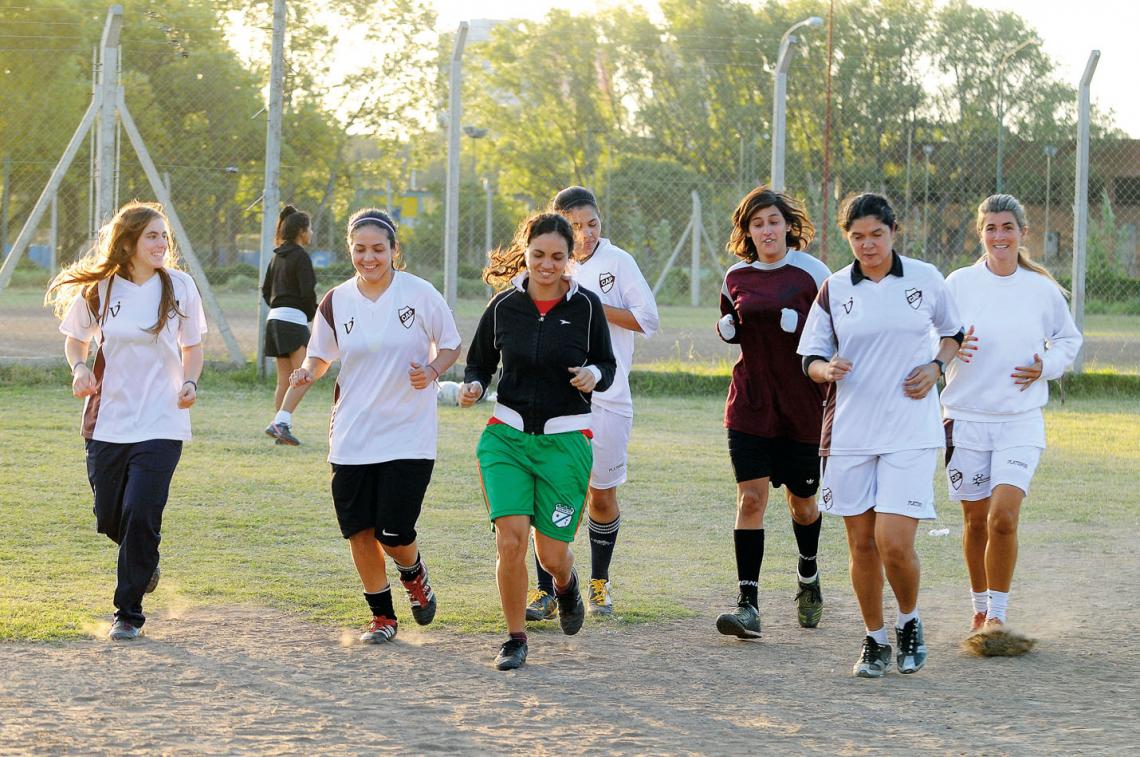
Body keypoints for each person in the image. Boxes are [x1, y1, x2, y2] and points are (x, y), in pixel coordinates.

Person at [797, 192, 963, 678]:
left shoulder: (926, 278)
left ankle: (909, 621)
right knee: (861, 545)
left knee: (893, 542)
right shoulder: (833, 288)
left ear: (894, 232)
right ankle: (874, 638)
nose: (867, 245)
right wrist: (827, 369)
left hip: (910, 430)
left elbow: (954, 333)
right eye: (857, 237)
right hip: (849, 433)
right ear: (846, 237)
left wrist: (936, 367)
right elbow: (810, 357)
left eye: (876, 235)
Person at [283, 208, 461, 644]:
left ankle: (413, 573)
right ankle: (383, 617)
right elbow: (321, 356)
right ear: (350, 251)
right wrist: (308, 370)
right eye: (360, 249)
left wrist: (433, 370)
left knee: (395, 531)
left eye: (378, 249)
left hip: (408, 432)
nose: (369, 257)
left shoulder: (419, 293)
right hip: (352, 434)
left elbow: (452, 345)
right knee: (360, 531)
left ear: (394, 250)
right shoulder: (336, 300)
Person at [459, 212, 616, 670]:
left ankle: (566, 586)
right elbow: (479, 364)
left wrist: (594, 375)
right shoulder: (504, 306)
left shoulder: (586, 307)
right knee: (510, 541)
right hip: (505, 439)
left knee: (551, 555)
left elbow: (606, 365)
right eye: (539, 255)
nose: (547, 265)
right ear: (525, 252)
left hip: (564, 445)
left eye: (558, 257)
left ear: (570, 259)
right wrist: (473, 386)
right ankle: (514, 638)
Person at [45, 200, 206, 640]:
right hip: (108, 422)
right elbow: (76, 342)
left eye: (163, 236)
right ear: (128, 242)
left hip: (162, 421)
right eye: (152, 236)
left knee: (141, 510)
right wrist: (79, 369)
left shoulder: (180, 286)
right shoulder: (101, 289)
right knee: (109, 513)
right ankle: (145, 561)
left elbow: (192, 346)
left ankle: (128, 612)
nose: (161, 244)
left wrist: (191, 381)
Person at [942, 194, 1081, 653]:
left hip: (1020, 420)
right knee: (976, 520)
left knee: (1003, 517)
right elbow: (929, 332)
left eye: (1007, 227)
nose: (999, 236)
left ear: (1023, 233)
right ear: (979, 233)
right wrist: (948, 348)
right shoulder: (958, 283)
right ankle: (979, 606)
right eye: (990, 228)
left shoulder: (1040, 290)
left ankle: (997, 615)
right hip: (964, 418)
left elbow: (1067, 339)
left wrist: (1047, 365)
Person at [525, 186, 658, 620]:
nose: (584, 235)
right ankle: (545, 590)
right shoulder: (548, 261)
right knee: (550, 493)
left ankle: (599, 581)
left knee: (601, 495)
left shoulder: (618, 263)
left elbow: (647, 320)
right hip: (556, 401)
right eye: (576, 226)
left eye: (592, 224)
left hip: (609, 397)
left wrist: (591, 306)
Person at [713, 186, 830, 639]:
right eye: (757, 223)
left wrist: (799, 327)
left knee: (802, 506)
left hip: (802, 409)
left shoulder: (813, 273)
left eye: (773, 222)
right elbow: (734, 326)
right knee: (751, 499)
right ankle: (748, 604)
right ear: (747, 231)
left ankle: (808, 573)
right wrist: (726, 330)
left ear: (788, 226)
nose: (766, 230)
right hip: (750, 405)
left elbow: (833, 330)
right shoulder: (736, 277)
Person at [262, 205, 316, 446]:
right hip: (292, 321)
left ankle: (280, 429)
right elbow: (307, 292)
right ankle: (281, 422)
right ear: (302, 231)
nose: (312, 233)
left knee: (285, 379)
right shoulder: (301, 256)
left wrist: (279, 308)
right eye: (310, 228)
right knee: (308, 374)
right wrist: (311, 314)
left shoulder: (276, 256)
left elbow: (265, 291)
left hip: (273, 319)